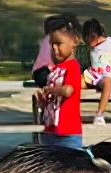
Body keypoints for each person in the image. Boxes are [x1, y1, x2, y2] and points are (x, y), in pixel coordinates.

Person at [40, 15, 83, 149]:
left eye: (59, 43)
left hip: (68, 133)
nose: (54, 47)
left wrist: (51, 90)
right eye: (52, 44)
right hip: (50, 131)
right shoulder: (54, 69)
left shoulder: (73, 66)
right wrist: (43, 99)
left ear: (73, 43)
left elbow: (68, 90)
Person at [82, 19, 111, 126]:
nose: (87, 41)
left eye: (88, 37)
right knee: (74, 81)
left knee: (107, 82)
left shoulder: (109, 43)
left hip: (104, 77)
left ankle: (99, 114)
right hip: (92, 75)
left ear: (93, 34)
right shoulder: (92, 47)